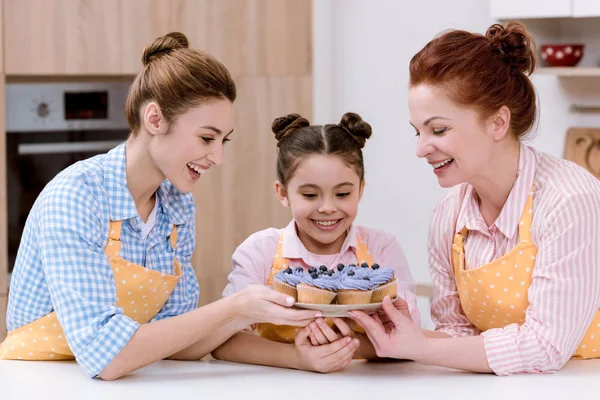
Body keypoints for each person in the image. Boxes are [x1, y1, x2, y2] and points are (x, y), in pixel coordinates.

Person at [0, 32, 319, 380]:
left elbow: (180, 343)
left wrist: (251, 311)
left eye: (223, 141)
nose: (217, 157)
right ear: (155, 119)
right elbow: (106, 358)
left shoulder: (176, 206)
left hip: (123, 383)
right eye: (206, 138)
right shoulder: (76, 197)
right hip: (40, 383)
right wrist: (231, 306)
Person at [350, 21, 600, 375]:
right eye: (417, 131)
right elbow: (458, 335)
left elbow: (546, 346)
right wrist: (403, 336)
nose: (421, 149)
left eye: (439, 129)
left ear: (498, 123)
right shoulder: (448, 217)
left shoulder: (570, 202)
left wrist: (420, 346)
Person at [213, 113, 420, 372]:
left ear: (361, 190)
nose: (327, 207)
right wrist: (296, 358)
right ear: (282, 193)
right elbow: (224, 343)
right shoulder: (260, 251)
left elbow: (408, 342)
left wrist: (338, 346)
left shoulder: (381, 248)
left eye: (343, 194)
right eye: (310, 195)